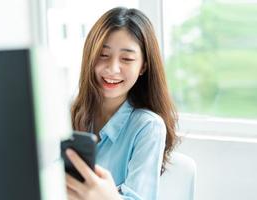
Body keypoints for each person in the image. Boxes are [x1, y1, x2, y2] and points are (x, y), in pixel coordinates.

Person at [65, 7, 178, 200]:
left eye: (127, 58)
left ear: (143, 66)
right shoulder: (70, 112)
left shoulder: (148, 126)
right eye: (103, 55)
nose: (112, 68)